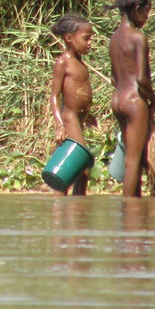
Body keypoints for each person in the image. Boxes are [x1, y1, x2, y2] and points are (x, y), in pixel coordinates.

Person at [109, 0, 155, 198]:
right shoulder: (138, 38)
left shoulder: (114, 38)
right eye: (147, 10)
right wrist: (154, 100)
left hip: (117, 100)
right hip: (134, 101)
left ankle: (132, 210)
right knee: (134, 161)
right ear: (137, 8)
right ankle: (131, 211)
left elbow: (114, 78)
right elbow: (141, 79)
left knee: (131, 155)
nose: (147, 16)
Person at [49, 13, 96, 195]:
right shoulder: (63, 62)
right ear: (69, 38)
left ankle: (71, 207)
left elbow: (80, 90)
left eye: (91, 38)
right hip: (69, 118)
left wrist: (88, 113)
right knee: (80, 165)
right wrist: (59, 124)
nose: (90, 42)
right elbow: (54, 96)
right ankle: (70, 208)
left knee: (71, 165)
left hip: (79, 117)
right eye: (86, 38)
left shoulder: (81, 63)